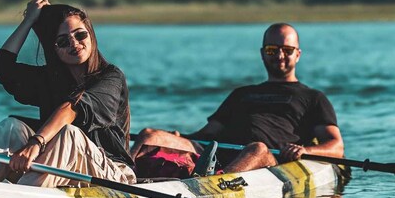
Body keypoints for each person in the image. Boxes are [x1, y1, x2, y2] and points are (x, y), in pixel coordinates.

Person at [0, 0, 135, 187]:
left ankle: (21, 197)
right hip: (61, 168)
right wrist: (28, 21)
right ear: (53, 48)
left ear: (91, 34)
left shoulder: (111, 77)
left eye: (80, 35)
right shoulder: (49, 79)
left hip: (113, 175)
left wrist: (36, 142)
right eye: (63, 42)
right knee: (12, 127)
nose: (74, 43)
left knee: (69, 134)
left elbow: (73, 107)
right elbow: (2, 67)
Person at [131, 23, 343, 174]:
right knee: (150, 135)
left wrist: (305, 150)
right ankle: (121, 174)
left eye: (286, 50)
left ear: (298, 54)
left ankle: (214, 184)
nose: (279, 55)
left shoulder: (313, 97)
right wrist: (179, 136)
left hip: (267, 158)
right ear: (262, 53)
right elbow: (208, 134)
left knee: (256, 147)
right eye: (272, 49)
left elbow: (336, 146)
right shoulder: (241, 93)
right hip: (216, 152)